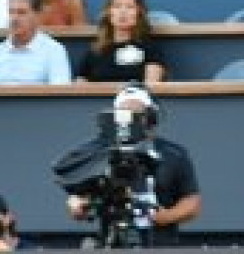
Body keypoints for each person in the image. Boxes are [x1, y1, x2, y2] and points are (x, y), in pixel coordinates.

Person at [59, 84, 202, 243]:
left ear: (152, 118)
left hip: (161, 245)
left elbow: (192, 202)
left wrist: (166, 216)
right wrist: (78, 203)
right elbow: (78, 194)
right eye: (124, 113)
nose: (131, 120)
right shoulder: (99, 152)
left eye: (136, 114)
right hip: (112, 243)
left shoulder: (174, 154)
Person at [0, 0, 75, 83]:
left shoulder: (54, 51)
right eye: (11, 12)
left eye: (21, 13)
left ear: (38, 16)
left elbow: (60, 94)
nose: (14, 18)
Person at [77, 0, 169, 81]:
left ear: (138, 13)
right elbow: (80, 87)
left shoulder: (150, 49)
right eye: (117, 6)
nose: (123, 11)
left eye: (130, 7)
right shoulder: (95, 51)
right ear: (109, 12)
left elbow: (151, 87)